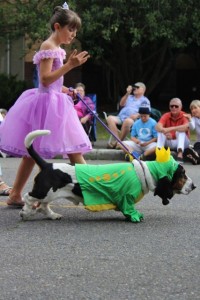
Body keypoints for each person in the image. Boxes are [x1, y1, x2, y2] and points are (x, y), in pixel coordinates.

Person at [0, 3, 91, 207]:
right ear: (57, 27)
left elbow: (54, 84)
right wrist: (70, 66)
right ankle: (94, 190)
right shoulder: (48, 46)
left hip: (54, 102)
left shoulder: (57, 48)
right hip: (46, 106)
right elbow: (45, 79)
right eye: (70, 29)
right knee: (62, 151)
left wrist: (67, 90)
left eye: (75, 30)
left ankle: (17, 194)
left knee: (35, 153)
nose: (73, 34)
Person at [106, 82, 151, 148]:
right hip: (121, 117)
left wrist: (137, 115)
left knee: (128, 121)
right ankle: (118, 142)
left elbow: (146, 112)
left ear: (143, 90)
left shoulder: (145, 100)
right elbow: (121, 104)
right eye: (134, 87)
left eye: (137, 87)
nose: (135, 89)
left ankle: (117, 143)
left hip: (134, 120)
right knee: (109, 118)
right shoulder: (129, 97)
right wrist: (127, 93)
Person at [182, 99, 200, 164]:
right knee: (196, 150)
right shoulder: (192, 119)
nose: (193, 110)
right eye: (192, 109)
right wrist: (189, 119)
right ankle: (195, 156)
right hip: (198, 143)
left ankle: (196, 159)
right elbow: (193, 130)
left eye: (195, 108)